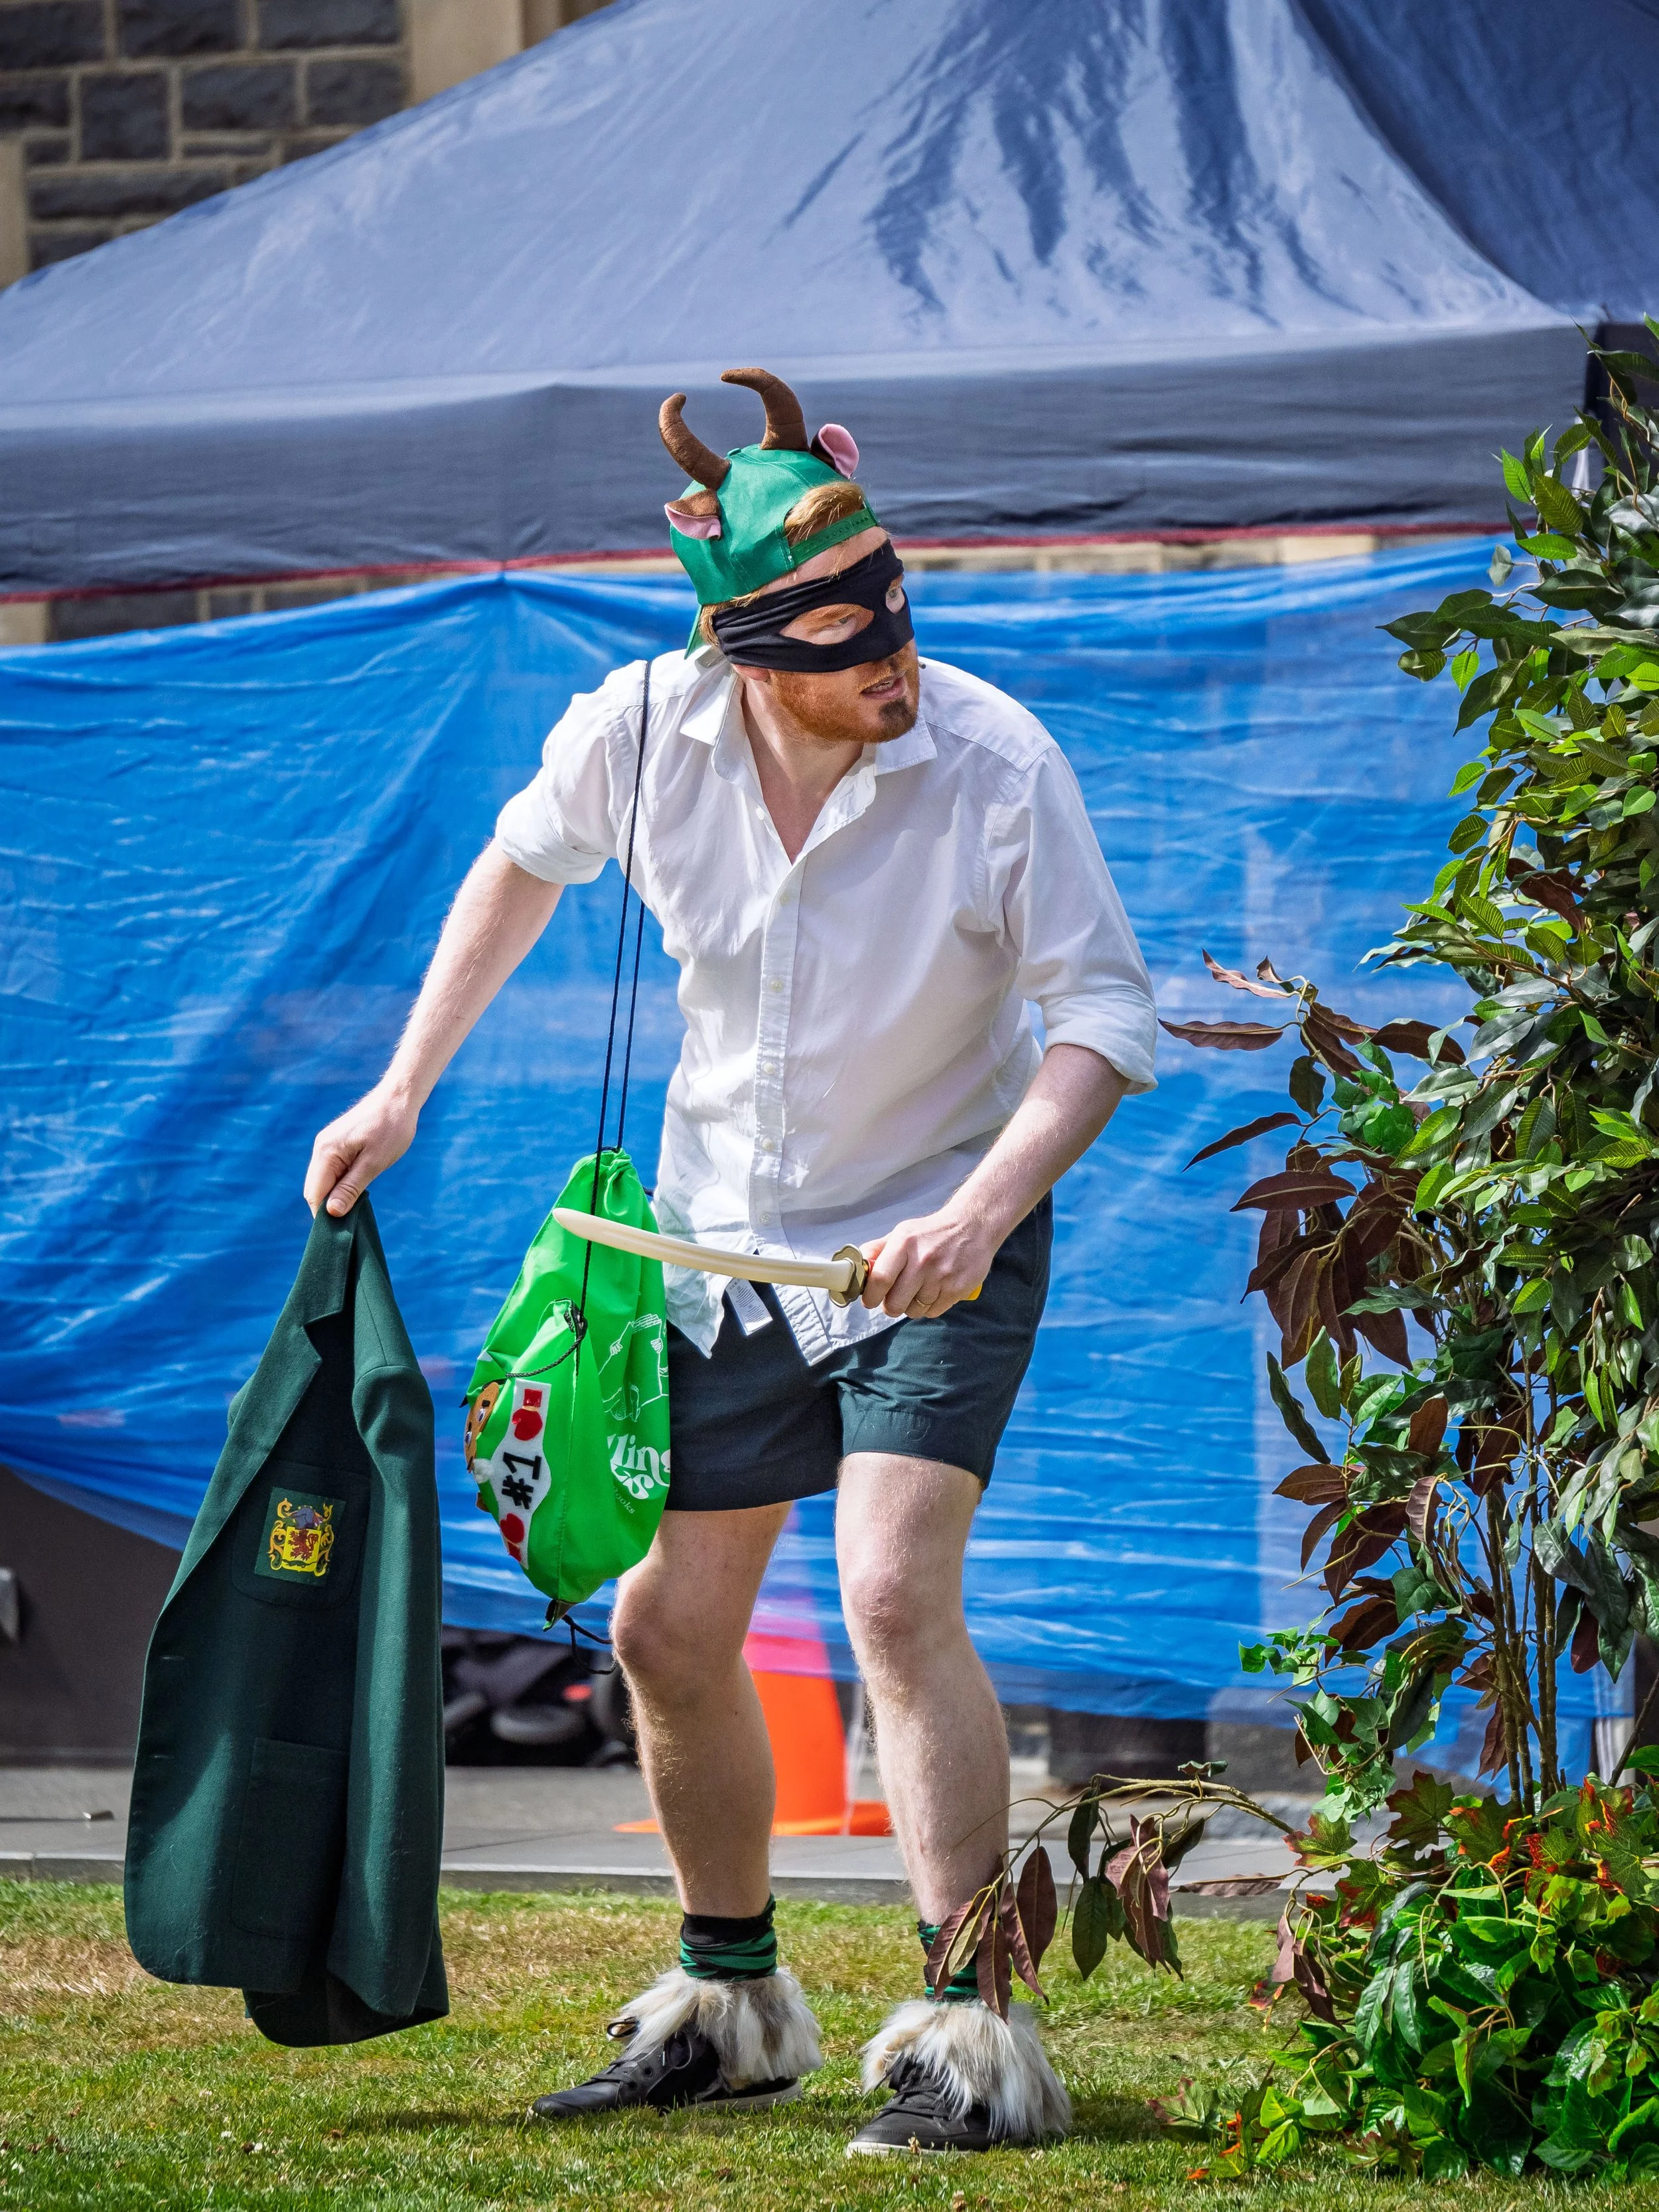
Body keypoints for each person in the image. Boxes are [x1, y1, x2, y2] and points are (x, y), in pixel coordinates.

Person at [305, 367, 1157, 2156]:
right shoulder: (636, 730)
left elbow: (1097, 1020)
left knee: (889, 1590)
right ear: (747, 659)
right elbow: (516, 871)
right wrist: (398, 1088)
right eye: (847, 643)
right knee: (663, 1623)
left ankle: (967, 2024)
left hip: (940, 1230)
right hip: (716, 1251)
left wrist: (984, 1211)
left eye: (897, 615)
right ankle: (728, 1997)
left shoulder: (995, 761)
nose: (893, 662)